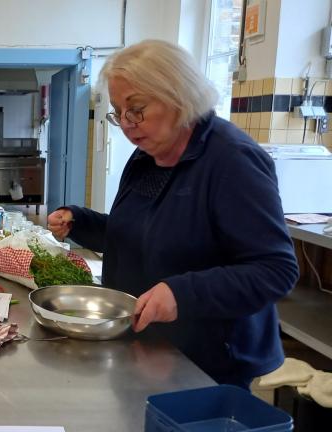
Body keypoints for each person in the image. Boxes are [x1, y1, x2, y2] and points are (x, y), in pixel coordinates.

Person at [47, 40, 298, 389]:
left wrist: (182, 294)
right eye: (119, 112)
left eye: (136, 109)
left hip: (209, 361)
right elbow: (140, 235)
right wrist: (81, 221)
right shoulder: (147, 157)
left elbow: (275, 270)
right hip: (148, 345)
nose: (126, 123)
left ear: (179, 96)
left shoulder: (232, 161)